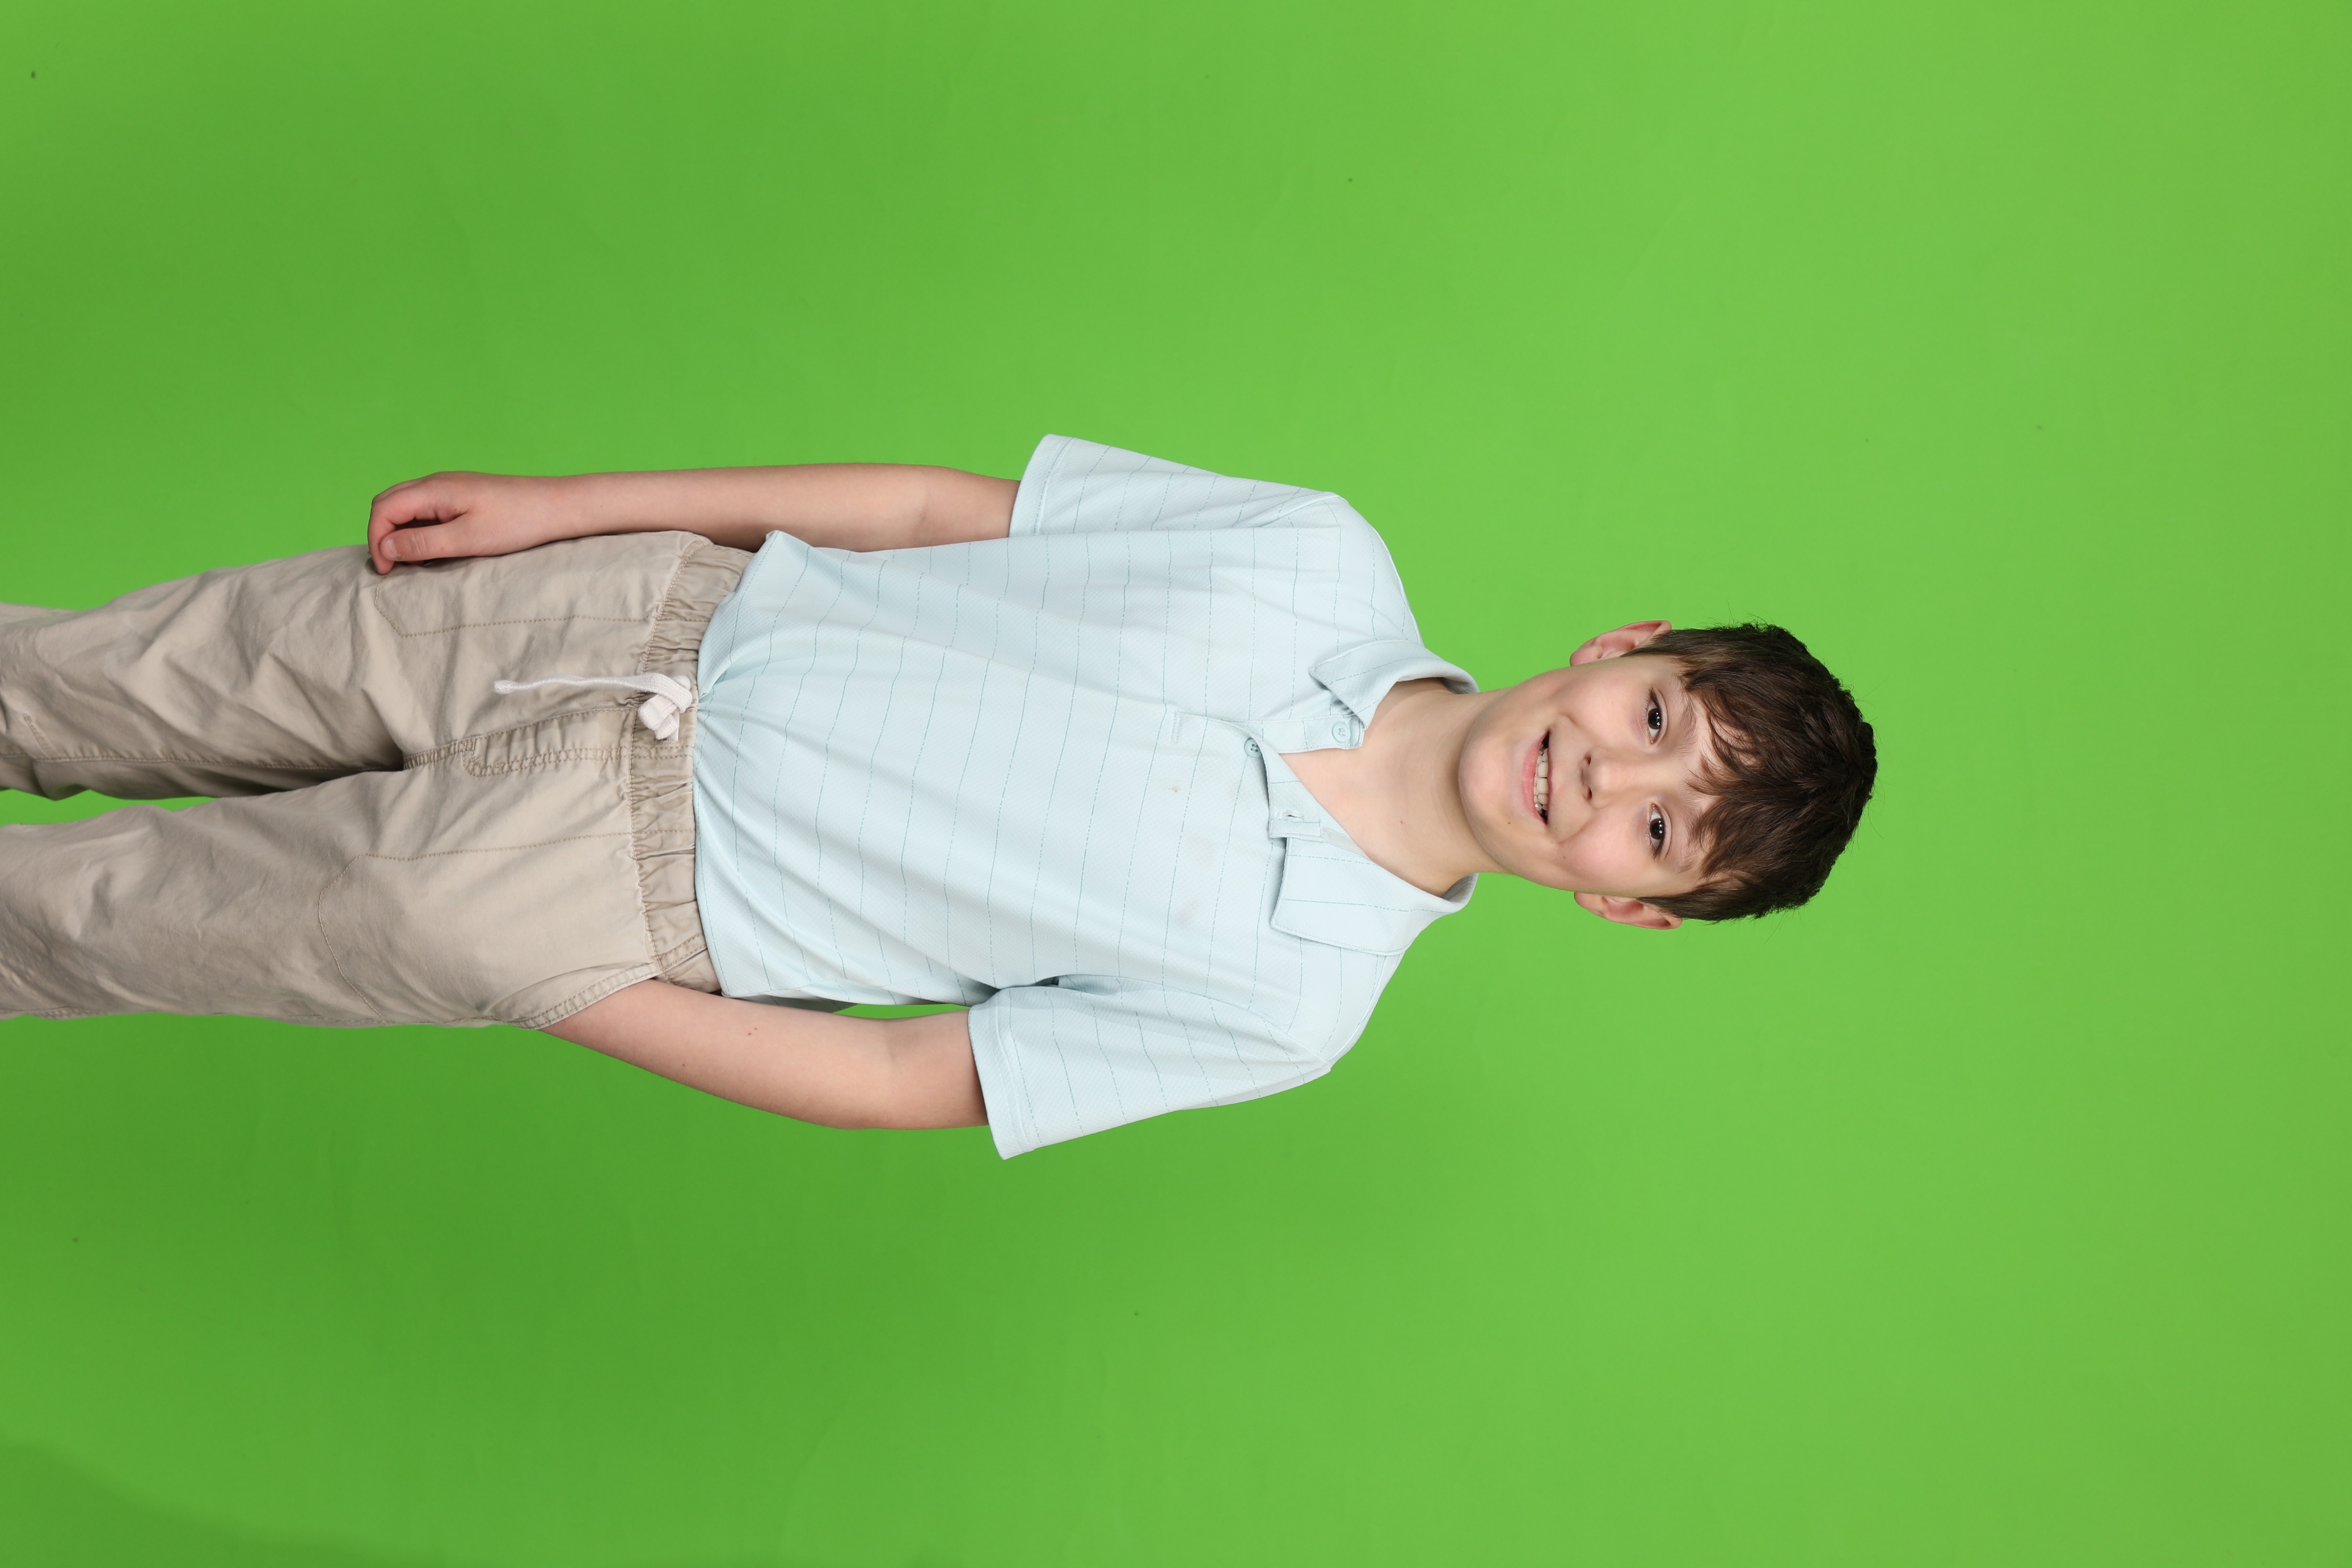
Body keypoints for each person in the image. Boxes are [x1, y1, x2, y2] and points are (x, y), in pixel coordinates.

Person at [0, 437, 1876, 1157]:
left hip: (606, 901)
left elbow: (912, 1078)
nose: (1605, 773)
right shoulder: (1316, 554)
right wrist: (577, 508)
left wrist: (562, 979)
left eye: (1655, 827)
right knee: (111, 670)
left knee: (92, 923)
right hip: (631, 614)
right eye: (1654, 715)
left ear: (1625, 903)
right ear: (1625, 643)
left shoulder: (1297, 1003)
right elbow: (925, 510)